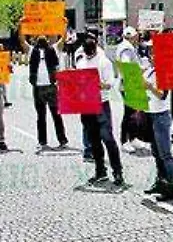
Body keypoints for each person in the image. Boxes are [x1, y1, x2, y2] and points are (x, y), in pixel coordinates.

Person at [76, 31, 125, 187]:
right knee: (93, 139)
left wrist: (96, 84)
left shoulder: (104, 62)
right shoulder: (81, 61)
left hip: (101, 103)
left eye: (90, 51)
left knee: (107, 138)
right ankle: (100, 170)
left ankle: (117, 171)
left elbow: (110, 84)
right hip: (86, 104)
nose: (88, 53)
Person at [19, 31, 69, 149]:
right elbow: (22, 41)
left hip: (51, 87)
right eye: (38, 37)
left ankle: (62, 139)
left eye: (43, 37)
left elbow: (63, 39)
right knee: (41, 116)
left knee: (56, 115)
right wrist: (21, 26)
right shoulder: (32, 51)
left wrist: (64, 26)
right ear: (35, 40)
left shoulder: (54, 49)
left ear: (47, 40)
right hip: (38, 88)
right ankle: (42, 141)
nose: (40, 38)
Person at [143, 42, 173, 201]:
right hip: (149, 114)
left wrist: (149, 87)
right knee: (156, 152)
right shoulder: (149, 71)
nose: (152, 56)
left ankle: (171, 188)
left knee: (165, 153)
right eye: (151, 53)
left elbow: (162, 95)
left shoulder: (164, 72)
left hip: (160, 115)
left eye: (155, 53)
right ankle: (160, 182)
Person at [116, 26, 142, 151]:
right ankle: (124, 141)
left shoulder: (126, 46)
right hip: (129, 84)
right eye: (135, 36)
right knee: (129, 113)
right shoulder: (126, 48)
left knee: (133, 113)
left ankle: (133, 137)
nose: (137, 37)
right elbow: (127, 66)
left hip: (130, 83)